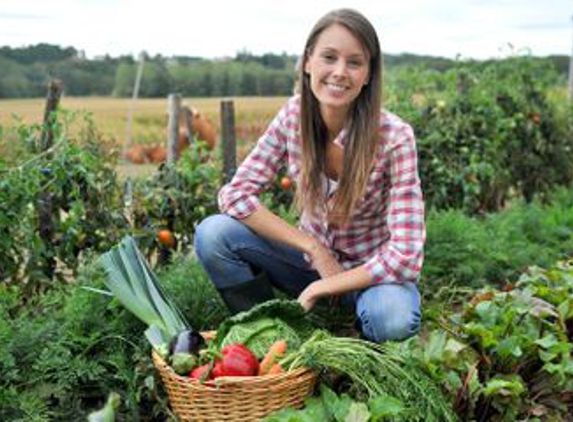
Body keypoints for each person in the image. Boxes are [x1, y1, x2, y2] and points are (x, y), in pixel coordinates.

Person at [194, 8, 424, 343]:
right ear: (307, 62)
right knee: (213, 234)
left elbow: (405, 257)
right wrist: (313, 247)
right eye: (329, 57)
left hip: (371, 278)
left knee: (390, 318)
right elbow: (235, 195)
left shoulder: (394, 137)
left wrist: (325, 285)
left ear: (369, 74)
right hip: (305, 265)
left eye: (355, 62)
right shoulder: (293, 117)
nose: (340, 72)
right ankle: (274, 335)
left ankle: (358, 337)